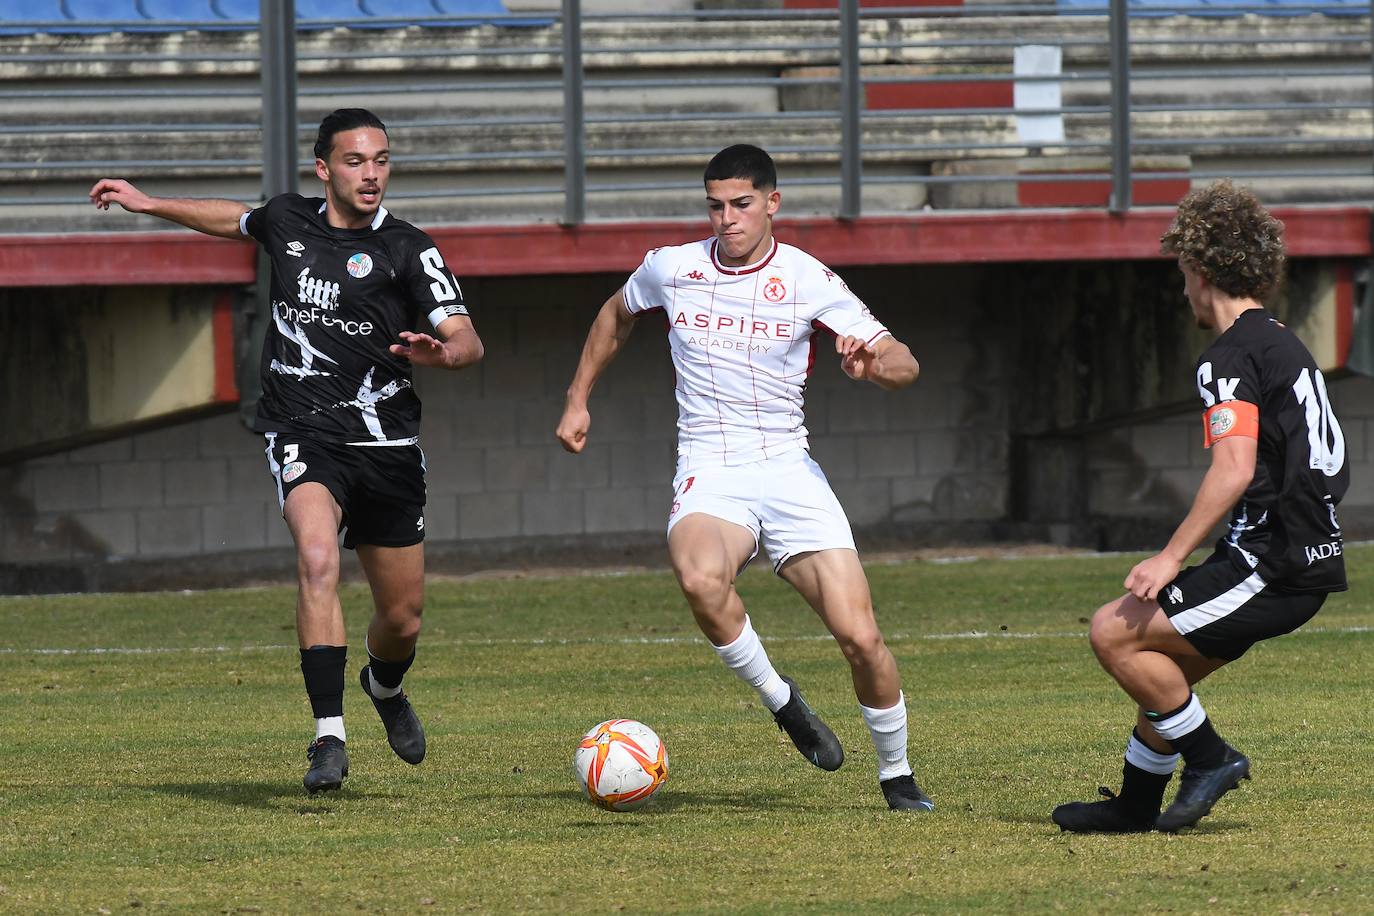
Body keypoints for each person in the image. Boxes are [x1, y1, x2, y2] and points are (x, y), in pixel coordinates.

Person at [90, 108, 484, 794]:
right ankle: (328, 735)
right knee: (316, 555)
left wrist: (445, 352)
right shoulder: (286, 221)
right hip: (303, 429)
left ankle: (384, 688)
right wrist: (148, 202)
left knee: (402, 616)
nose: (371, 174)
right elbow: (231, 219)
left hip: (387, 443)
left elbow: (468, 337)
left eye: (382, 160)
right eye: (356, 161)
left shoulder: (408, 249)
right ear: (323, 168)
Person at [555, 144, 933, 811]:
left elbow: (903, 361)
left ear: (772, 204)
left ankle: (897, 776)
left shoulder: (808, 278)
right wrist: (578, 397)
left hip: (788, 468)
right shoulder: (671, 269)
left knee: (861, 638)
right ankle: (782, 701)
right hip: (711, 464)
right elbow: (616, 315)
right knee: (701, 578)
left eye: (741, 205)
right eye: (716, 206)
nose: (727, 219)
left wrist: (870, 365)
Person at [1052, 179, 1349, 833]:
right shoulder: (1284, 344)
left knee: (1113, 632)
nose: (1182, 287)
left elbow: (1234, 468)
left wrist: (1169, 557)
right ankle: (1135, 803)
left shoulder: (1230, 355)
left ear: (1199, 268)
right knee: (1164, 669)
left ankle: (1212, 760)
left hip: (1272, 562)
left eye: (1182, 270)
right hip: (1298, 557)